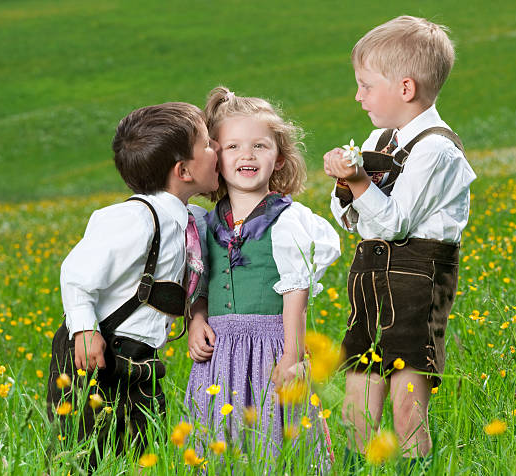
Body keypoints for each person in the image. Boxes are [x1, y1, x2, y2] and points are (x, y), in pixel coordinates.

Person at [322, 16, 476, 472]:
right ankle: (355, 465)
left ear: (405, 88)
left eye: (366, 85)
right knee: (358, 382)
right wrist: (347, 187)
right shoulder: (378, 139)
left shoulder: (437, 150)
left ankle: (414, 466)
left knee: (408, 401)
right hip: (369, 278)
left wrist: (357, 180)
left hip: (416, 280)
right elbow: (348, 216)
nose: (358, 96)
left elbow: (394, 222)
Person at [46, 102, 219, 469]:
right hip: (97, 351)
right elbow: (76, 272)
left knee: (143, 451)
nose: (216, 148)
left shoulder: (194, 221)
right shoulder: (133, 219)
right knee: (82, 452)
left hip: (142, 357)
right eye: (207, 143)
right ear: (183, 170)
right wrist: (84, 329)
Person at [185, 87, 341, 466]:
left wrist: (291, 354)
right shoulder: (204, 223)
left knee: (277, 433)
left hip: (272, 344)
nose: (247, 155)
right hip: (219, 352)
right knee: (221, 436)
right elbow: (199, 284)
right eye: (233, 147)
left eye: (260, 146)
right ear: (215, 158)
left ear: (280, 157)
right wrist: (197, 319)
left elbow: (296, 291)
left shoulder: (289, 220)